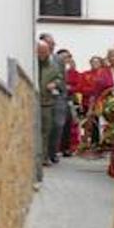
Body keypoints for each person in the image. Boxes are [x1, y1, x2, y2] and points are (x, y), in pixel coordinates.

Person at [36, 38, 66, 166]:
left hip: (47, 101)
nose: (43, 55)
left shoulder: (53, 64)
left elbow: (60, 78)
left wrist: (55, 83)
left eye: (45, 52)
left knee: (47, 129)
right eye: (40, 52)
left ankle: (44, 156)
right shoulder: (32, 63)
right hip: (34, 100)